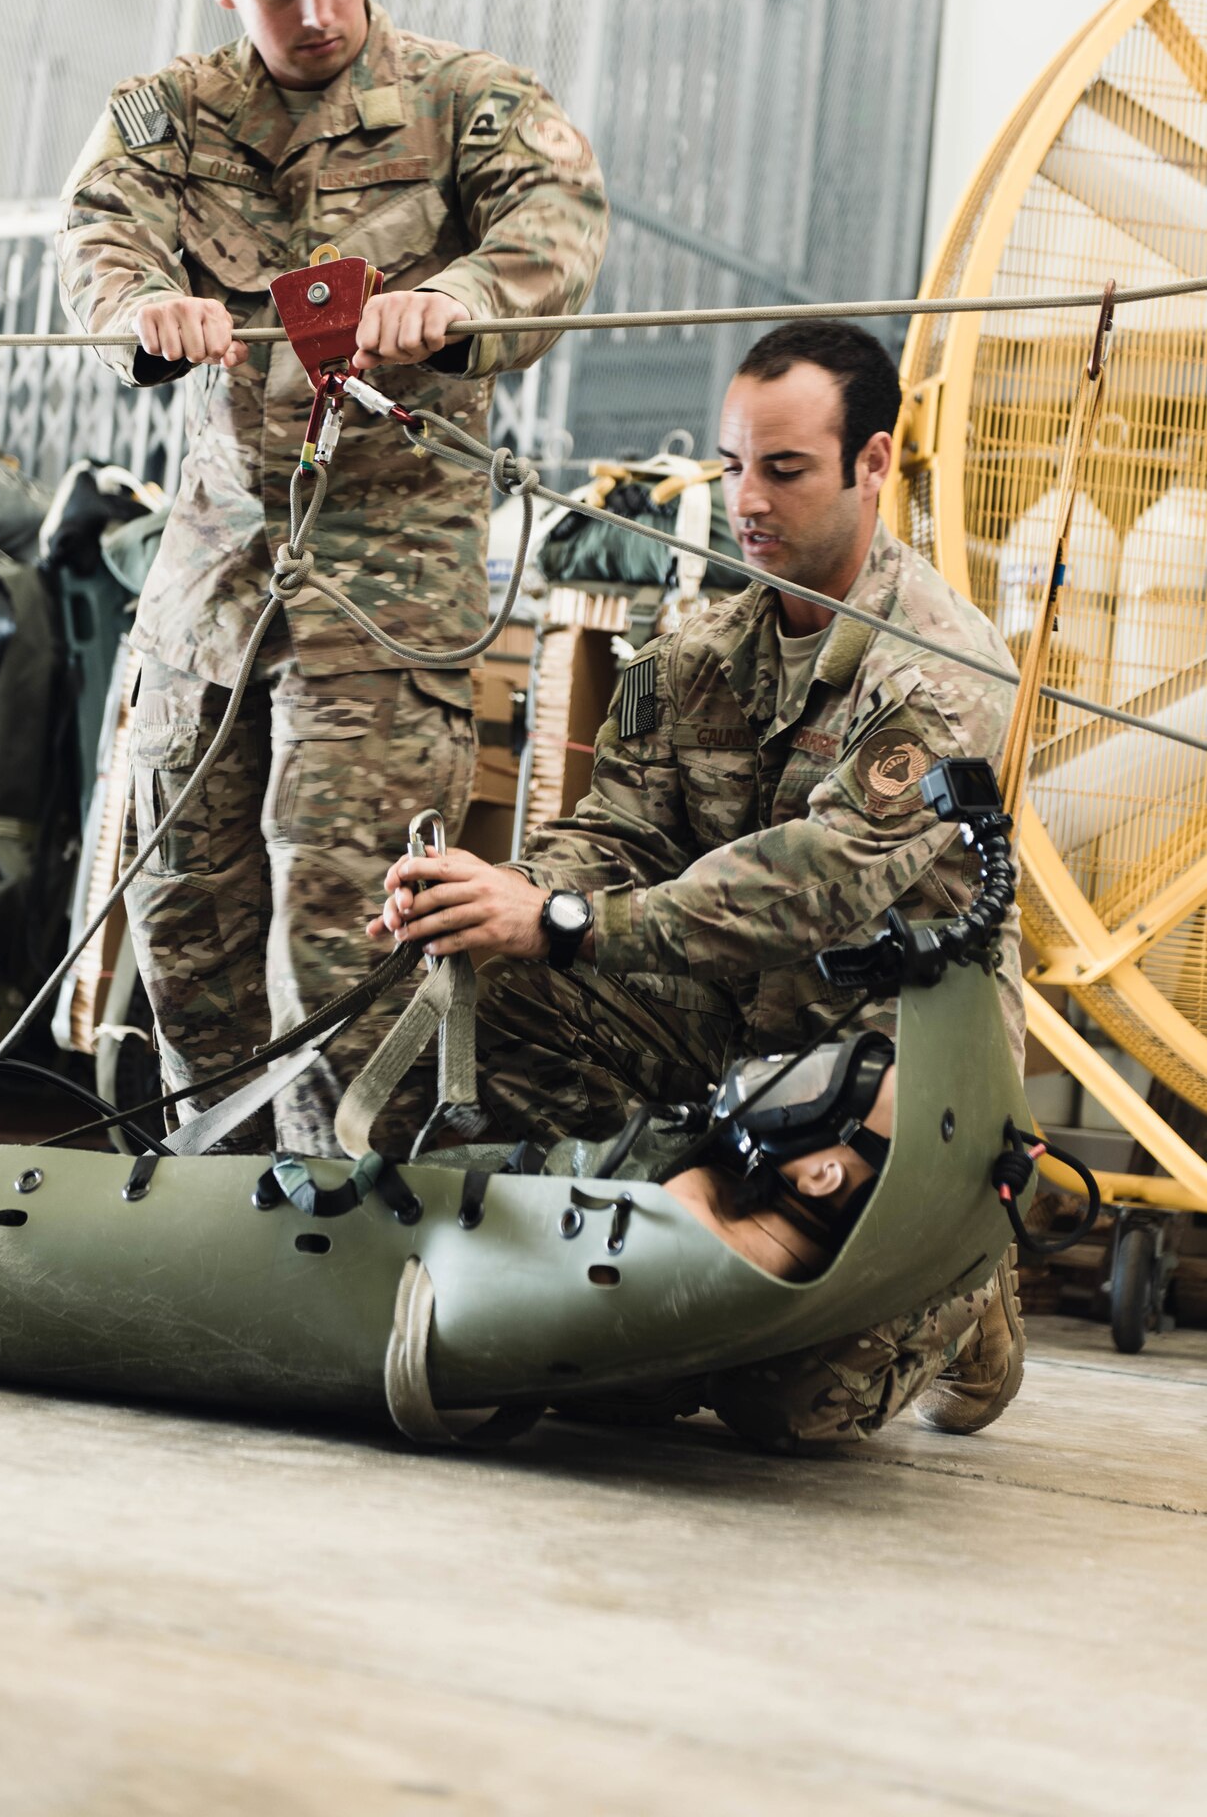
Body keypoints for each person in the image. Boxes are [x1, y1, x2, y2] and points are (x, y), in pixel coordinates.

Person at [370, 319, 1026, 1450]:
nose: (749, 501)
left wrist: (566, 920)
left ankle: (965, 1286)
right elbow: (615, 830)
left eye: (785, 469)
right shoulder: (687, 652)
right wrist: (494, 893)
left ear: (873, 463)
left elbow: (815, 884)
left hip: (882, 1068)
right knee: (473, 970)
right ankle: (634, 1214)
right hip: (719, 1034)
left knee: (782, 1410)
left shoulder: (941, 669)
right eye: (734, 468)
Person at [56, 0, 608, 1153]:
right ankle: (219, 1206)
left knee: (341, 910)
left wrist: (455, 299)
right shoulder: (169, 115)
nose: (318, 12)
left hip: (384, 581)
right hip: (215, 577)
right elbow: (95, 233)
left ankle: (340, 1201)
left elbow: (556, 226)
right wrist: (142, 307)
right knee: (187, 907)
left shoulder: (467, 100)